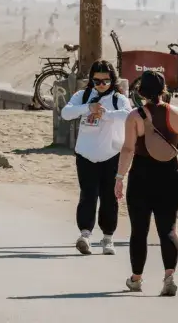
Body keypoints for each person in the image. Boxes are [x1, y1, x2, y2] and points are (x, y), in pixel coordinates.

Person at [116, 70, 178, 295]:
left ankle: (136, 279)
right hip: (170, 174)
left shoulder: (134, 116)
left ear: (141, 92)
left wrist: (119, 178)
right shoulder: (177, 113)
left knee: (139, 230)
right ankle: (169, 277)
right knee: (168, 229)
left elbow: (129, 149)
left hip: (141, 175)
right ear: (163, 91)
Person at [60, 60, 132, 256]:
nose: (101, 85)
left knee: (109, 198)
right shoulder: (82, 96)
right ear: (91, 80)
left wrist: (107, 114)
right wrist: (87, 108)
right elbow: (66, 113)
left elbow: (129, 115)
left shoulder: (118, 99)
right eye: (97, 81)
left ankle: (108, 238)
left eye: (105, 81)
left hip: (111, 155)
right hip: (85, 154)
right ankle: (85, 235)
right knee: (87, 195)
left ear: (112, 80)